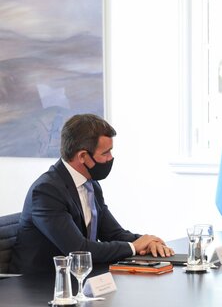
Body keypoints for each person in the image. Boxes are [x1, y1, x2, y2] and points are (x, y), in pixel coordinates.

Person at [10, 114, 174, 274]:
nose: (111, 158)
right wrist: (134, 247)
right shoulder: (47, 191)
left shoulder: (91, 184)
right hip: (38, 284)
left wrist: (149, 241)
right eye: (105, 153)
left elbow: (113, 234)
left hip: (77, 277)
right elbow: (79, 250)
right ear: (82, 156)